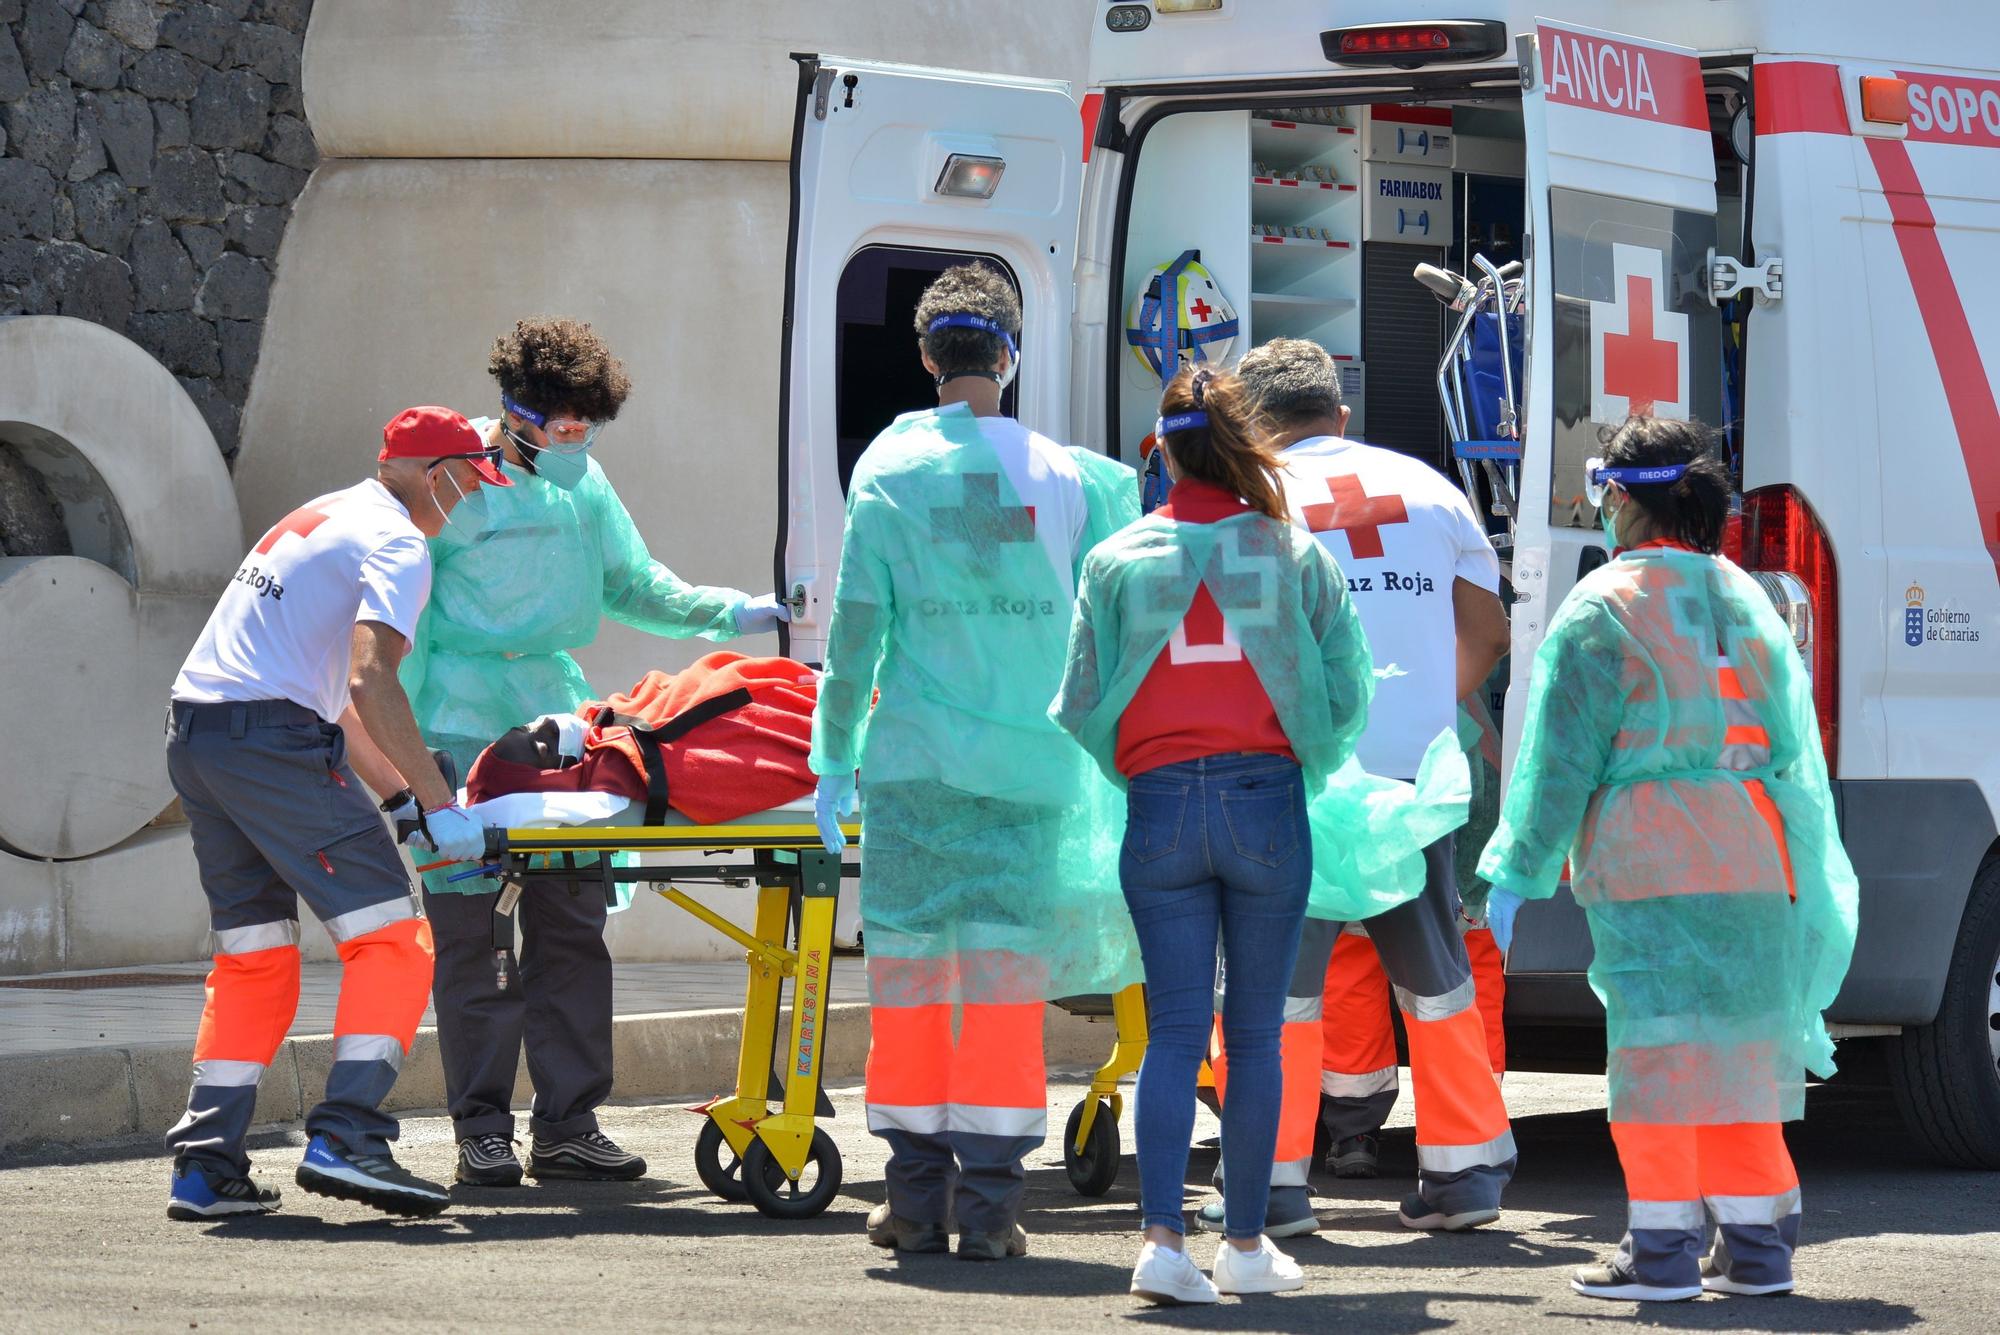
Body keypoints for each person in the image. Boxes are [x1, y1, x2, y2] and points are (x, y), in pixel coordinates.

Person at [403, 317, 790, 1189]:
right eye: (562, 424)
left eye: (590, 424)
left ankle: (569, 1123)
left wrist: (744, 612)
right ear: (516, 412)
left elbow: (635, 585)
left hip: (557, 734)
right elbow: (407, 616)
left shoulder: (585, 485)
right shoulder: (457, 476)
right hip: (459, 726)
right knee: (473, 934)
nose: (577, 438)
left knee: (571, 924)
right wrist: (411, 760)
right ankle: (481, 1130)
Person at [1479, 416, 1857, 1302]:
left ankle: (1659, 1253)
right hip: (1757, 850)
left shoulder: (1604, 603)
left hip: (1653, 857)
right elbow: (1798, 751)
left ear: (1620, 494)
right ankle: (1758, 1247)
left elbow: (1558, 757)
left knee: (1656, 1059)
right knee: (1741, 1058)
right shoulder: (1748, 596)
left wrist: (1516, 869)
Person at [811, 262, 1138, 1262]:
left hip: (915, 767)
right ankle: (990, 1209)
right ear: (1011, 355)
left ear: (923, 357)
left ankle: (912, 1204)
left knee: (911, 981)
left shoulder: (887, 475)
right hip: (1030, 774)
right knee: (998, 987)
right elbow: (1112, 634)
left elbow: (854, 635)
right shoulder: (1070, 478)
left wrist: (833, 760)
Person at [1054, 365, 1376, 1302]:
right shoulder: (1293, 553)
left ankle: (1160, 1242)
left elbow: (1080, 701)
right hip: (1265, 800)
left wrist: (1142, 760)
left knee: (1173, 1033)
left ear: (1161, 452)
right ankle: (1243, 1243)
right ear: (1245, 447)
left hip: (1158, 808)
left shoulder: (1116, 560)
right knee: (1258, 1034)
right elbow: (1349, 691)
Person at [164, 406, 510, 1220]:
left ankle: (206, 1168)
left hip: (199, 734)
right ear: (435, 473)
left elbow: (335, 701)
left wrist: (400, 800)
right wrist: (442, 802)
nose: (465, 502)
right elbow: (369, 681)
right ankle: (349, 1137)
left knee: (255, 958)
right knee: (392, 938)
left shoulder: (326, 513)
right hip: (270, 742)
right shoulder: (398, 540)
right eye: (467, 483)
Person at [1223, 336, 1515, 1234]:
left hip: (1294, 772)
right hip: (1412, 776)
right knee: (1438, 975)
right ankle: (1463, 1177)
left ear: (1256, 423)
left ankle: (1272, 1187)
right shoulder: (1429, 489)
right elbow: (1490, 634)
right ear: (1340, 414)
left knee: (1277, 987)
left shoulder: (1250, 499)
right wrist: (1424, 704)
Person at [1318, 689, 1509, 1179]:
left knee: (1351, 975)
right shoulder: (1451, 691)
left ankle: (1354, 1133)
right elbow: (1486, 792)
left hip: (1359, 852)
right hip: (1448, 870)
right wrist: (1475, 892)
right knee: (1462, 982)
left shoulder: (1341, 689)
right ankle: (1473, 1134)